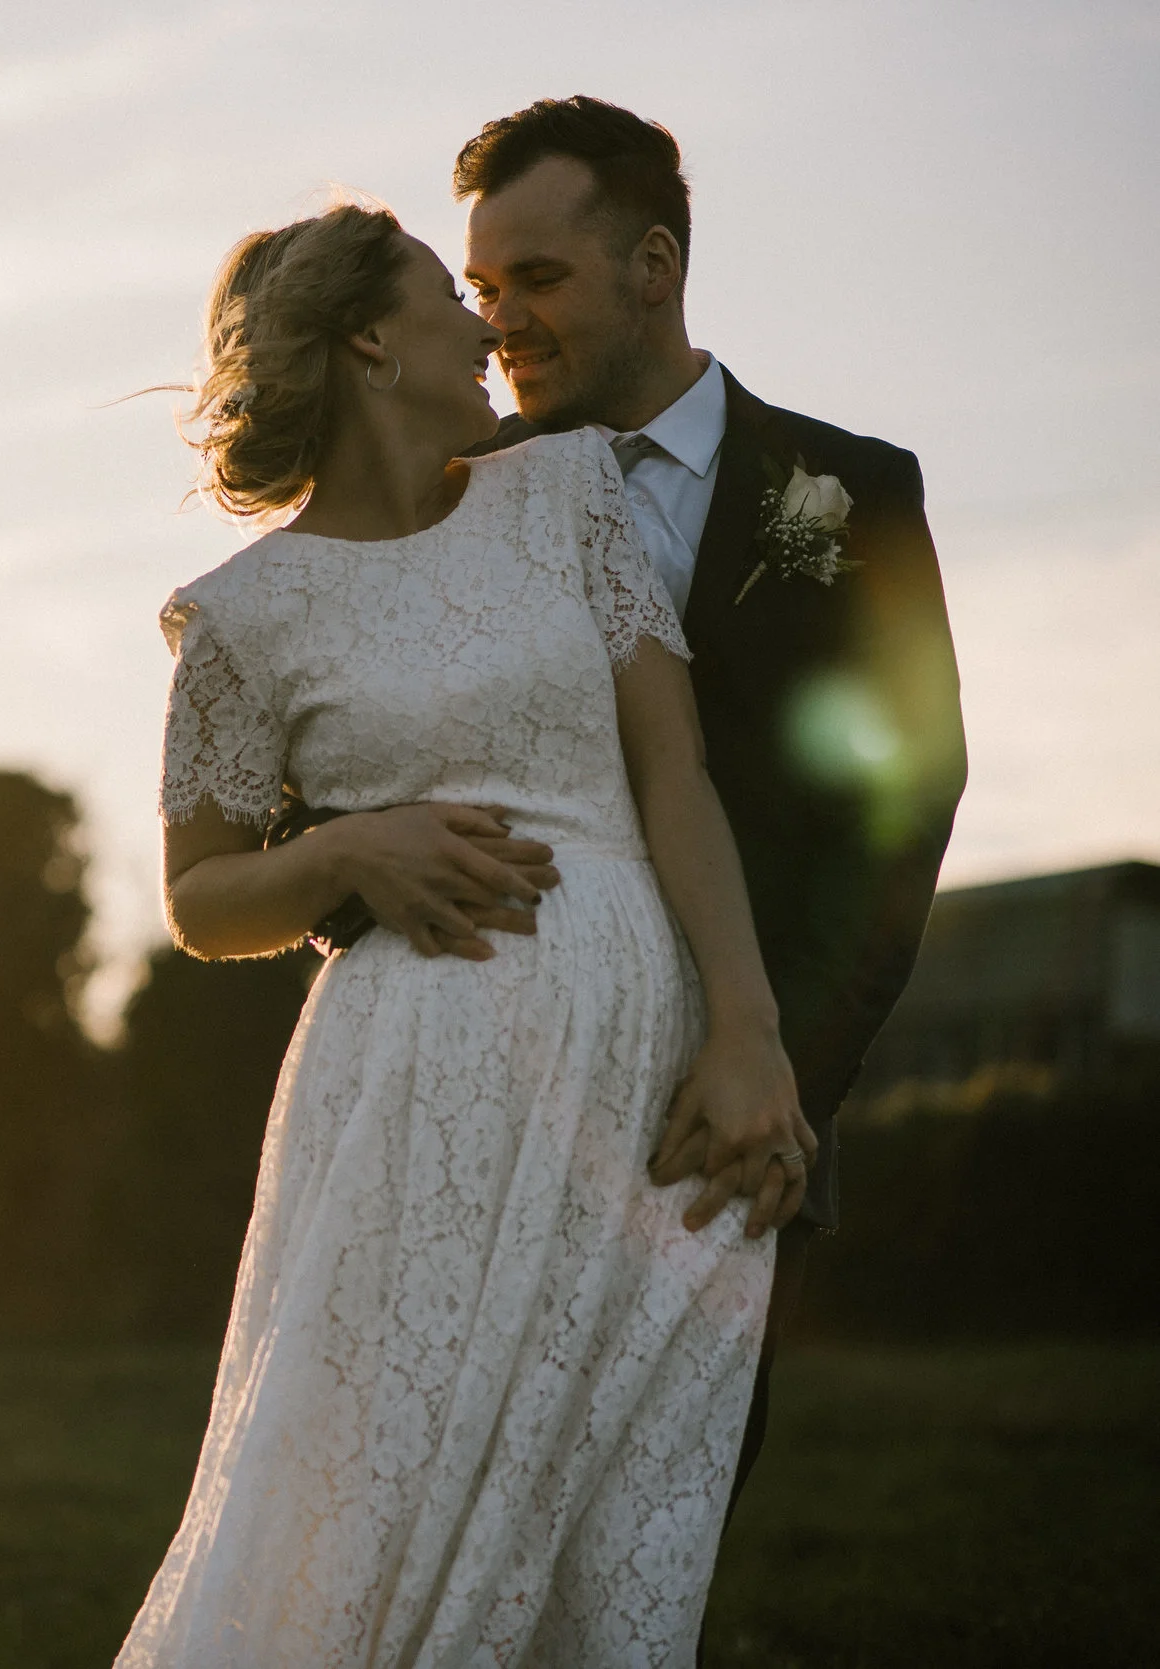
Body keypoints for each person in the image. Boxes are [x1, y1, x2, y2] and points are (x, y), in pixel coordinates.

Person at [115, 192, 814, 1666]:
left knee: (627, 1534)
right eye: (449, 290)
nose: (484, 319)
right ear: (373, 335)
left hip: (646, 1060)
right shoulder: (246, 617)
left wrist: (746, 1029)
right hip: (418, 1098)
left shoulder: (564, 496)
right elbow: (198, 899)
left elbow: (671, 771)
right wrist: (344, 849)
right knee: (378, 1508)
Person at [427, 97, 964, 1530]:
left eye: (537, 280)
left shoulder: (847, 495)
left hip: (733, 1135)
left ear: (655, 263)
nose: (501, 325)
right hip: (495, 1102)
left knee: (661, 1553)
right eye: (482, 290)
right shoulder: (449, 499)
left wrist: (780, 1072)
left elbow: (903, 804)